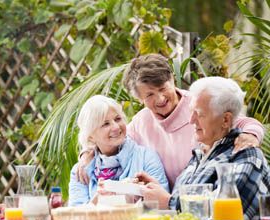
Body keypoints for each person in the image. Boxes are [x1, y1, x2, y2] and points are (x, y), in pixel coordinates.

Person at [78, 54, 264, 190]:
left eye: (162, 88)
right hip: (170, 202)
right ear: (140, 99)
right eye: (149, 94)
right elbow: (113, 140)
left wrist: (250, 134)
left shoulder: (198, 105)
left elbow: (243, 122)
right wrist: (87, 153)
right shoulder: (141, 122)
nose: (160, 99)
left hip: (205, 196)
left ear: (171, 79)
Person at [138, 77, 270, 220]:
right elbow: (185, 216)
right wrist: (157, 192)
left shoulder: (245, 156)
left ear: (226, 120)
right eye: (191, 112)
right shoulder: (200, 155)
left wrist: (168, 202)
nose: (191, 120)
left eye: (199, 114)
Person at [68, 95, 169, 206]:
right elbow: (76, 217)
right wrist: (97, 201)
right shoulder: (81, 171)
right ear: (91, 136)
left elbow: (163, 205)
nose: (116, 127)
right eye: (105, 124)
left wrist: (130, 195)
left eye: (118, 119)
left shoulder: (146, 157)